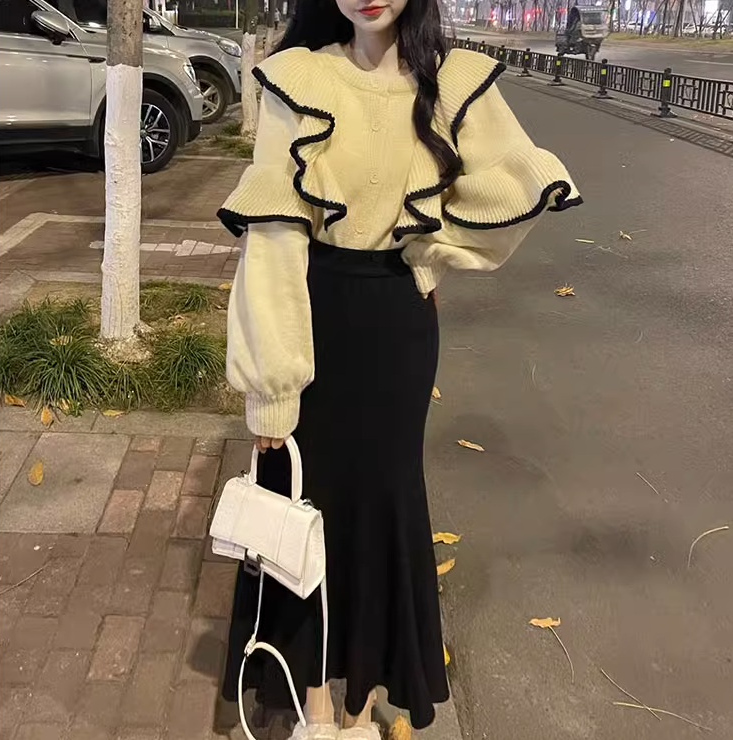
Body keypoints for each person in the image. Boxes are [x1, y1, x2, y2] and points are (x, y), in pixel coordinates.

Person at [218, 0, 581, 737]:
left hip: (397, 328)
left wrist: (432, 249)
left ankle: (358, 702)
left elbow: (510, 184)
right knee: (307, 501)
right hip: (314, 314)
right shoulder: (299, 77)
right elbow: (274, 240)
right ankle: (316, 698)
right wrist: (272, 388)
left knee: (384, 505)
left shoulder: (448, 83)